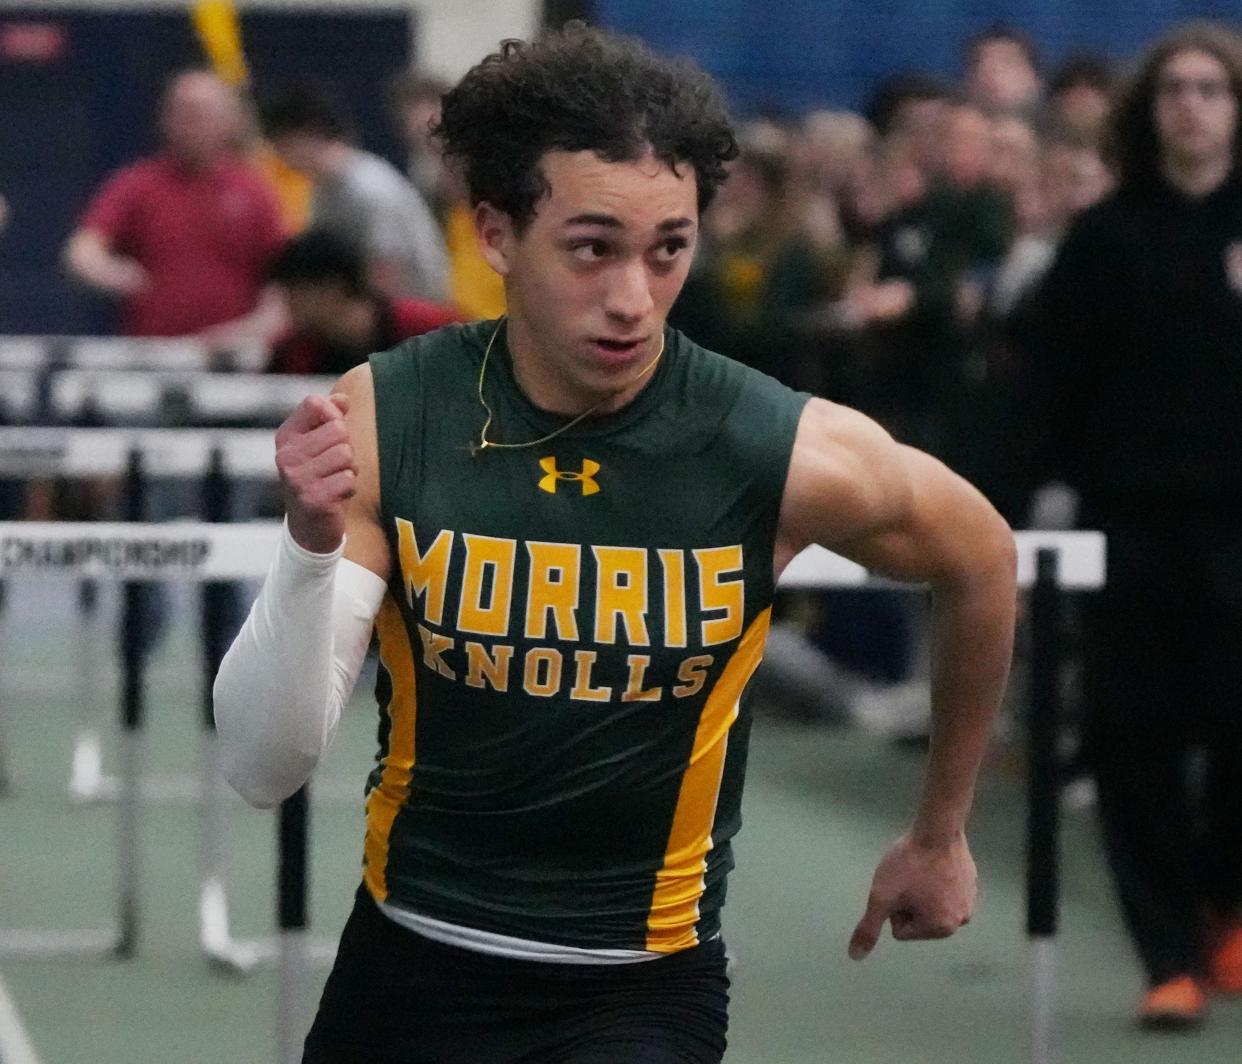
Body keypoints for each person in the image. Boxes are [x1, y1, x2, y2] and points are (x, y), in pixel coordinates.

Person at [214, 24, 1016, 1063]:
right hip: (412, 967)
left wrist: (940, 827)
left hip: (638, 991)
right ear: (497, 233)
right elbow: (259, 761)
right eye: (592, 247)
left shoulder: (776, 446)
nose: (634, 297)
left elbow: (983, 557)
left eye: (668, 248)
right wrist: (312, 548)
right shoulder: (392, 418)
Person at [1020, 20, 1242, 1030]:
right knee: (1134, 739)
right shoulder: (1105, 237)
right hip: (1131, 523)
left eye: (1212, 87)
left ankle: (1224, 902)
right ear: (1150, 110)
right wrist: (1020, 517)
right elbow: (1048, 390)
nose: (1192, 103)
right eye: (1175, 89)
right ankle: (1167, 954)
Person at [64, 69, 286, 346]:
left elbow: (282, 278)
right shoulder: (137, 184)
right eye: (182, 112)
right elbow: (82, 252)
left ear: (230, 121)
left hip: (231, 357)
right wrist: (115, 274)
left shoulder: (253, 190)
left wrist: (255, 329)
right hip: (154, 353)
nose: (190, 124)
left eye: (202, 113)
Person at [261, 84, 451, 304]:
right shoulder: (323, 190)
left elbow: (388, 279)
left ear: (303, 136)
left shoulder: (370, 189)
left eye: (281, 147)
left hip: (416, 316)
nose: (280, 158)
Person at [266, 228, 462, 376]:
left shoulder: (426, 326)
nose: (288, 303)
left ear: (332, 288)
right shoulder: (297, 355)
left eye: (295, 292)